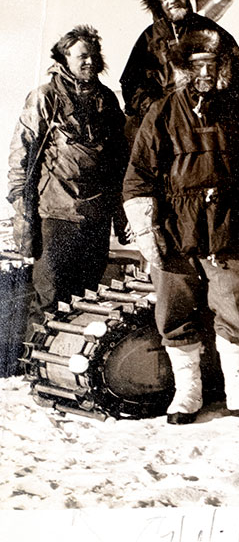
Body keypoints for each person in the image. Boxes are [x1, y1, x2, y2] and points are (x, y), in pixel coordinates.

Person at [123, 28, 239, 424]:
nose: (205, 72)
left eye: (212, 65)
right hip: (177, 226)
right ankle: (187, 392)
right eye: (197, 65)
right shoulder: (162, 113)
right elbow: (138, 176)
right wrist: (146, 228)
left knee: (234, 301)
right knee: (175, 309)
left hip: (225, 223)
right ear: (185, 70)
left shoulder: (234, 111)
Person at [8, 25, 128, 328]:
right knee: (49, 297)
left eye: (93, 55)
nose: (89, 61)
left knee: (86, 297)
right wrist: (23, 212)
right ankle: (34, 367)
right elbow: (21, 157)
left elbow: (118, 164)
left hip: (96, 217)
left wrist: (120, 214)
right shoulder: (44, 98)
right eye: (82, 56)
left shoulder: (108, 102)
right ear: (64, 58)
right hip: (56, 215)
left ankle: (70, 366)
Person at [120, 0, 239, 142]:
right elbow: (131, 83)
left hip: (207, 119)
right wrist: (155, 109)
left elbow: (235, 70)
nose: (172, 0)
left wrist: (218, 105)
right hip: (166, 125)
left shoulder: (209, 30)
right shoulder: (149, 39)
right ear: (158, 5)